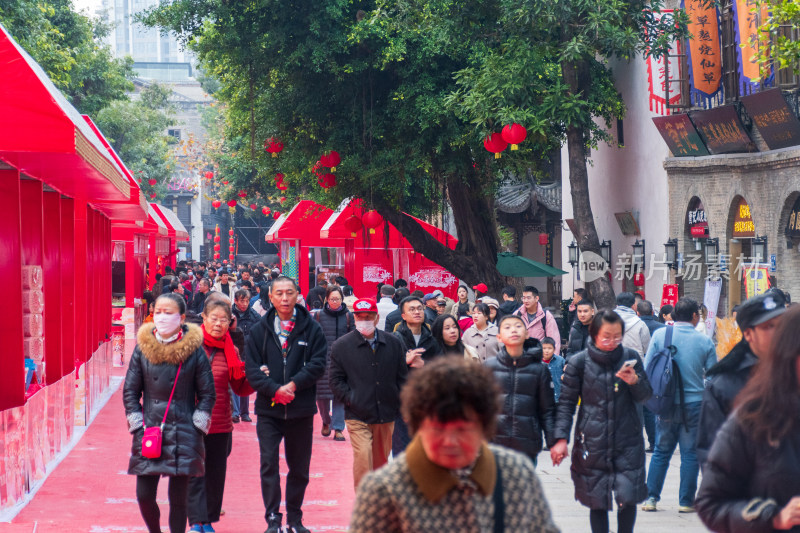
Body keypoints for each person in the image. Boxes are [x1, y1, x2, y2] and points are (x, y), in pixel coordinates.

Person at [349, 356, 561, 533]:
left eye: (462, 430)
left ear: (484, 426)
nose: (450, 442)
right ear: (417, 426)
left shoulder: (515, 474)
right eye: (438, 429)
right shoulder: (384, 489)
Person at [695, 305, 800, 532]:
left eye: (779, 326)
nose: (775, 333)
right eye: (768, 326)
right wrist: (771, 517)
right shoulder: (744, 407)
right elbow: (712, 494)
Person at [550, 309, 653, 533]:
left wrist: (635, 381)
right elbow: (566, 404)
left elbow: (646, 397)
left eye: (617, 336)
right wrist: (560, 439)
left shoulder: (631, 358)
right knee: (597, 500)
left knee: (628, 497)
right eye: (607, 336)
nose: (612, 341)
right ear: (594, 333)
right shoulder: (578, 363)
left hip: (628, 440)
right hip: (592, 441)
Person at [123, 293, 216, 533]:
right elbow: (131, 391)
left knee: (179, 500)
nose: (162, 317)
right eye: (158, 312)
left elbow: (207, 394)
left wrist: (198, 424)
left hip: (184, 429)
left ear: (182, 317)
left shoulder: (195, 351)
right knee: (144, 495)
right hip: (150, 430)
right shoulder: (142, 349)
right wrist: (136, 422)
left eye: (169, 312)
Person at [244, 276, 327, 533]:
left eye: (289, 293)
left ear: (298, 295)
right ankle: (272, 517)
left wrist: (293, 385)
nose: (284, 298)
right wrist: (274, 390)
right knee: (269, 464)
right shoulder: (259, 330)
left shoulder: (311, 328)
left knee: (299, 468)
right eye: (278, 293)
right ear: (270, 296)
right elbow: (252, 369)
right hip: (269, 411)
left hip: (300, 409)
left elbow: (318, 363)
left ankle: (294, 518)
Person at [695, 290, 787, 469]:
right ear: (748, 335)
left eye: (782, 325)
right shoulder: (724, 386)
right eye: (768, 327)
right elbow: (711, 455)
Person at [641, 297, 717, 513]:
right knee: (690, 453)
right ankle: (685, 502)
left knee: (661, 452)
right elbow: (713, 378)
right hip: (694, 404)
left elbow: (648, 369)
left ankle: (651, 499)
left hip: (665, 404)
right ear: (694, 316)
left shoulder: (660, 335)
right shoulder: (704, 342)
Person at [188, 296, 254, 533]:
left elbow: (239, 387)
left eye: (223, 320)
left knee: (215, 474)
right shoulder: (188, 345)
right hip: (192, 423)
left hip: (221, 422)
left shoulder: (231, 349)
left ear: (230, 322)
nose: (218, 324)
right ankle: (195, 521)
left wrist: (257, 378)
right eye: (213, 318)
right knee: (195, 472)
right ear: (203, 318)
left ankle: (207, 520)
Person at [329, 298, 408, 490]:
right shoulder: (342, 346)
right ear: (354, 318)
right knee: (364, 457)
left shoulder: (393, 343)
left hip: (386, 414)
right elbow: (335, 380)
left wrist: (397, 400)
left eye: (368, 316)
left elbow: (402, 378)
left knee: (381, 464)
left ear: (376, 317)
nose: (364, 320)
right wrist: (351, 399)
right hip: (357, 414)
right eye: (360, 316)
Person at [485, 315, 556, 465]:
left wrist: (554, 442)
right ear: (499, 337)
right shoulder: (487, 368)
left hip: (526, 445)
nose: (513, 330)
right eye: (507, 327)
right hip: (494, 445)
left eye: (518, 326)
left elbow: (547, 410)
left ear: (527, 333)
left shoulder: (539, 370)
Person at [392, 296, 442, 454]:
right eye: (412, 309)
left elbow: (442, 369)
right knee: (403, 449)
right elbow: (386, 371)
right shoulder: (395, 340)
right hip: (402, 402)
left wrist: (424, 365)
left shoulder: (432, 340)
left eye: (420, 308)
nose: (417, 312)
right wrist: (403, 362)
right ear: (403, 316)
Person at [312, 286, 354, 441]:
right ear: (326, 300)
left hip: (343, 361)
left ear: (342, 299)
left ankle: (338, 428)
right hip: (322, 360)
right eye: (332, 299)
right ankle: (326, 420)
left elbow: (354, 338)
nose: (335, 302)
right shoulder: (318, 316)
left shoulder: (349, 316)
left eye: (337, 299)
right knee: (322, 396)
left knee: (340, 396)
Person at [231, 288, 260, 423]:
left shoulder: (254, 315)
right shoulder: (229, 315)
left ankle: (244, 412)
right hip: (233, 352)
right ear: (236, 301)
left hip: (248, 352)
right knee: (234, 381)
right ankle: (235, 412)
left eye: (247, 301)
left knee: (245, 381)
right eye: (242, 301)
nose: (245, 303)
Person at [514, 285, 561, 353]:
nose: (525, 300)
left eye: (528, 298)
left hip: (540, 358)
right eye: (523, 298)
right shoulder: (517, 314)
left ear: (536, 298)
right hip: (522, 358)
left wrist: (553, 361)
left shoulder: (546, 316)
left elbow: (554, 340)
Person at [614, 292, 651, 358]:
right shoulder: (640, 323)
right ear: (633, 305)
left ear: (617, 305)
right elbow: (647, 347)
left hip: (613, 361)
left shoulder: (607, 320)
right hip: (634, 362)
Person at [541, 337, 565, 403]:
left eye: (549, 348)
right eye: (544, 348)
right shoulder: (536, 362)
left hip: (558, 397)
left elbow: (568, 372)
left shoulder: (560, 360)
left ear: (554, 349)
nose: (546, 351)